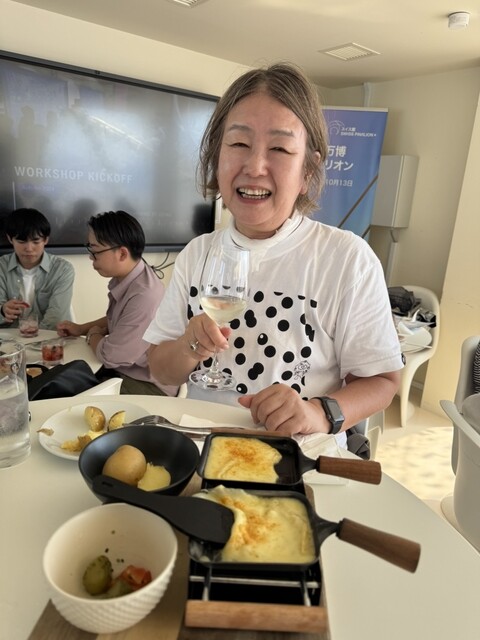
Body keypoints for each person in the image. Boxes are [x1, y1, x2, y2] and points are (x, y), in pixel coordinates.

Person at [144, 63, 403, 445]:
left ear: (308, 171)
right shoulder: (198, 253)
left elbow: (383, 380)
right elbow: (160, 370)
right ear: (217, 156)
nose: (254, 167)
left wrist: (317, 412)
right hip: (202, 448)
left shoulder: (347, 258)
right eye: (238, 144)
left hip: (297, 459)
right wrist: (189, 346)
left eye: (280, 148)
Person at [57, 210, 176, 396]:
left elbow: (111, 356)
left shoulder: (145, 295)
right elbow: (119, 319)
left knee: (66, 394)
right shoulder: (129, 279)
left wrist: (93, 335)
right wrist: (81, 329)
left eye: (95, 250)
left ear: (122, 253)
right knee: (61, 379)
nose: (91, 257)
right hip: (124, 371)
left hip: (146, 384)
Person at [0, 208, 74, 329]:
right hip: (10, 337)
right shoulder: (1, 266)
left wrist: (33, 336)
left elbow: (56, 316)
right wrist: (2, 310)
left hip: (48, 337)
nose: (29, 248)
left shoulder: (62, 269)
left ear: (46, 240)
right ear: (10, 239)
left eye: (36, 241)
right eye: (21, 241)